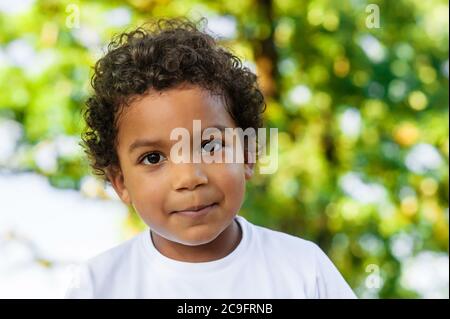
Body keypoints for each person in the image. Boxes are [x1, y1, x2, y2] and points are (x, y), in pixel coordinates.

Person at [65, 17, 356, 299]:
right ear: (121, 182)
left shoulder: (303, 269)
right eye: (153, 158)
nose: (189, 178)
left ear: (247, 154)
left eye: (209, 146)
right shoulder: (98, 285)